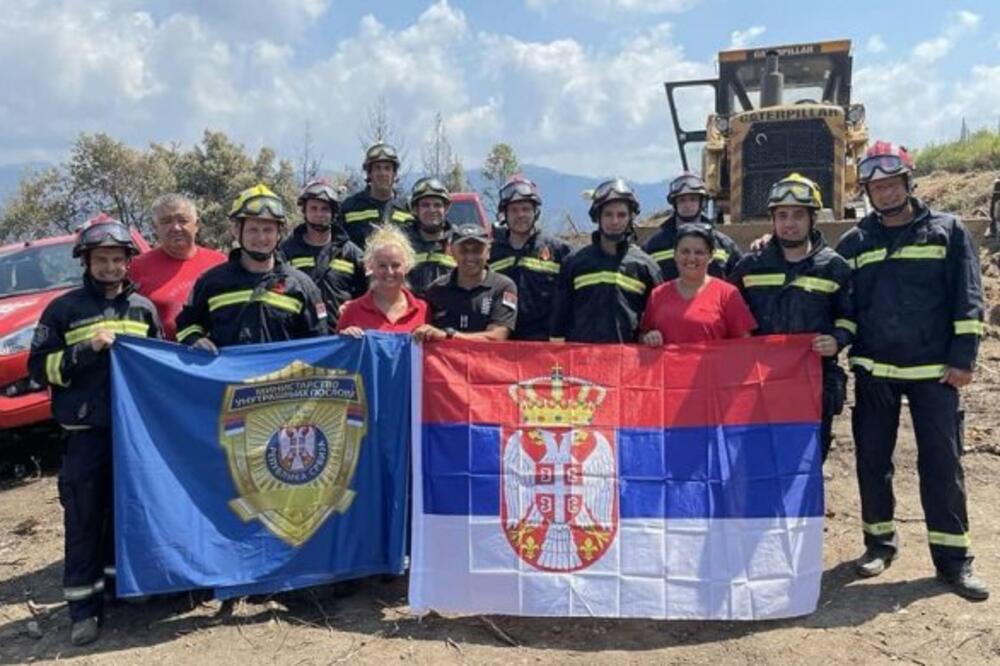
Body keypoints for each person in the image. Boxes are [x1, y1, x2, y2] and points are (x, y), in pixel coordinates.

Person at [835, 141, 988, 600]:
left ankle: (953, 561)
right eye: (875, 187)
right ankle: (879, 544)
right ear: (866, 191)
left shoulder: (948, 231)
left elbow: (969, 298)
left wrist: (964, 358)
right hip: (875, 371)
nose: (883, 193)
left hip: (935, 374)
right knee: (872, 463)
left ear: (907, 182)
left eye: (890, 184)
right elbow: (834, 289)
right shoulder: (857, 241)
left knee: (942, 465)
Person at [27, 215, 162, 646]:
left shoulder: (143, 310)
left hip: (132, 438)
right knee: (85, 520)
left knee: (128, 513)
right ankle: (83, 611)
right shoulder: (63, 310)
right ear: (85, 262)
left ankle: (124, 589)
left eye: (117, 259)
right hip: (85, 433)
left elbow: (159, 365)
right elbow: (38, 369)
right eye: (101, 259)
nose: (109, 267)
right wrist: (87, 348)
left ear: (128, 262)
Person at [729, 173, 854, 461]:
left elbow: (849, 316)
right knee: (757, 461)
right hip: (757, 385)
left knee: (806, 465)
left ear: (813, 219)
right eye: (782, 215)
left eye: (798, 215)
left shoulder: (834, 267)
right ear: (772, 220)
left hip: (813, 382)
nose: (789, 223)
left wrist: (837, 340)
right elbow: (726, 313)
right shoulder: (751, 265)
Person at [175, 185, 328, 350]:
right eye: (253, 230)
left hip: (282, 375)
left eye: (268, 230)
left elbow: (318, 345)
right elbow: (186, 325)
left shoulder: (302, 286)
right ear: (236, 231)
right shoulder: (211, 282)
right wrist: (193, 339)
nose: (261, 237)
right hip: (229, 375)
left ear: (279, 233)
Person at [550, 178, 661, 343]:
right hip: (581, 363)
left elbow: (656, 321)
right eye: (608, 214)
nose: (614, 221)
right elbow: (559, 321)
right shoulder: (574, 262)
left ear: (630, 218)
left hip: (627, 364)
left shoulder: (646, 266)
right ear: (597, 217)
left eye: (621, 215)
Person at [127, 194, 226, 340]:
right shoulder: (135, 267)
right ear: (155, 227)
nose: (176, 228)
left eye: (183, 220)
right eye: (166, 221)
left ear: (196, 225)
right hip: (162, 358)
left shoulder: (221, 263)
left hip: (213, 354)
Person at [640, 224, 755, 346]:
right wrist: (648, 337)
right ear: (675, 255)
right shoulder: (658, 295)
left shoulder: (728, 294)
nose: (691, 258)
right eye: (685, 251)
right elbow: (642, 336)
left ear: (710, 256)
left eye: (699, 252)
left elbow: (745, 345)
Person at [489, 176, 572, 340]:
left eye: (526, 209)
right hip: (502, 346)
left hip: (544, 346)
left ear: (536, 212)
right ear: (504, 214)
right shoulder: (491, 253)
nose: (520, 215)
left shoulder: (559, 251)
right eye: (514, 210)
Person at [279, 178, 366, 330]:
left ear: (333, 213)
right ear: (304, 211)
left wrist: (356, 310)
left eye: (325, 209)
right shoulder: (286, 251)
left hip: (343, 337)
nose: (319, 214)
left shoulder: (351, 252)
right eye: (313, 208)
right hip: (301, 340)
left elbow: (372, 291)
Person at [413, 223, 517, 342]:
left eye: (477, 250)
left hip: (485, 359)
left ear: (488, 252)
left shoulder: (503, 286)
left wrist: (449, 336)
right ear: (452, 251)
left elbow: (496, 337)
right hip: (445, 360)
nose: (470, 256)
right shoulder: (437, 289)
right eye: (463, 250)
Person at [642, 172, 741, 280]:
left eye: (693, 199)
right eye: (682, 200)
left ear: (702, 202)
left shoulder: (723, 245)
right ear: (674, 204)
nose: (687, 205)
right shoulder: (654, 245)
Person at [339, 225, 429, 335]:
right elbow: (338, 350)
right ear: (370, 266)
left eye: (395, 265)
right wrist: (345, 338)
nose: (389, 272)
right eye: (382, 266)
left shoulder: (422, 310)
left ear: (407, 266)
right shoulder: (352, 310)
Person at [338, 142, 414, 249]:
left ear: (395, 173)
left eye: (387, 168)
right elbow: (339, 243)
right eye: (377, 168)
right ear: (369, 173)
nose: (382, 173)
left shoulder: (408, 209)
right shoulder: (349, 207)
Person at [404, 177, 456, 298]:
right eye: (425, 205)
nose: (432, 210)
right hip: (413, 313)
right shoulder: (402, 243)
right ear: (416, 209)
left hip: (448, 314)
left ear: (446, 208)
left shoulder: (458, 242)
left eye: (437, 205)